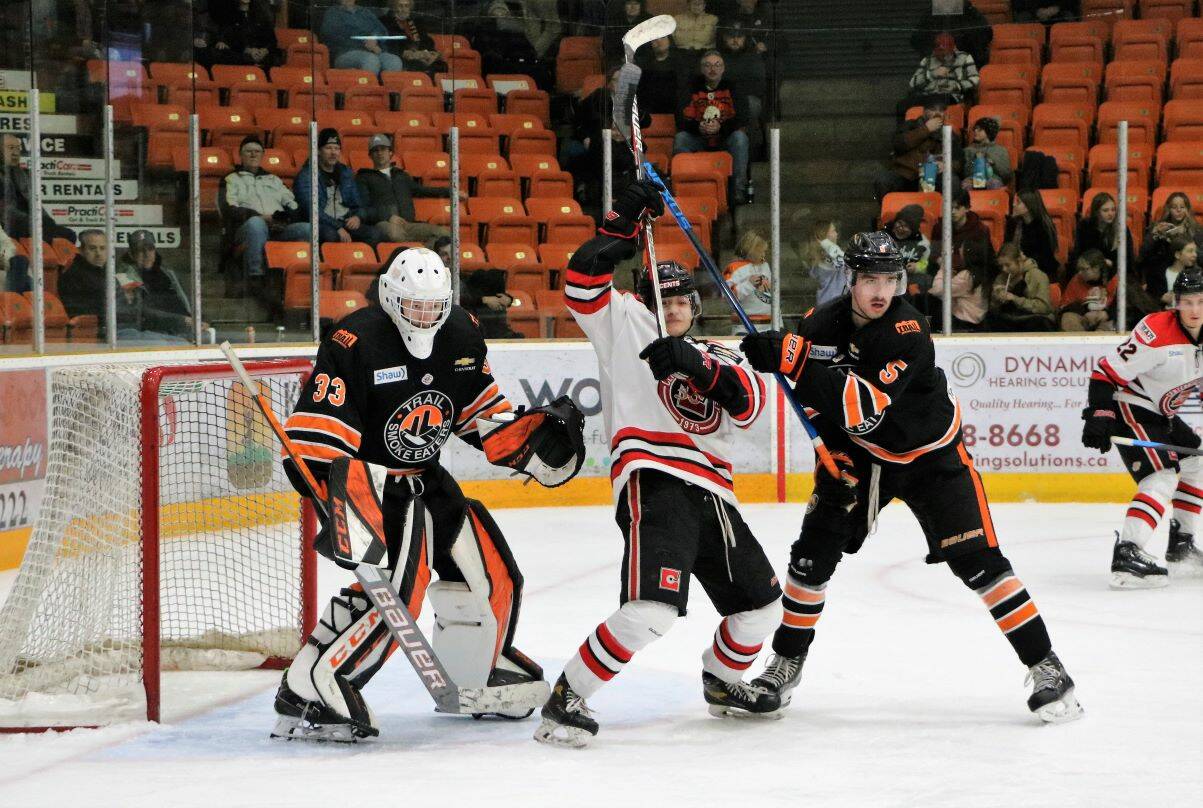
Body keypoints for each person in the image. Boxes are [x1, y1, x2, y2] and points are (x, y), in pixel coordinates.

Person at [738, 232, 1081, 724]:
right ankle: (785, 663)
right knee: (810, 558)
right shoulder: (819, 324)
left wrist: (791, 359)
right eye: (870, 279)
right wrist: (832, 457)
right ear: (851, 280)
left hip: (932, 460)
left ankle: (1048, 668)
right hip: (864, 457)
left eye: (890, 279)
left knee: (980, 564)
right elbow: (818, 406)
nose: (881, 290)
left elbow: (864, 405)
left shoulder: (908, 329)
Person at [273, 246, 587, 742]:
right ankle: (323, 677)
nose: (426, 316)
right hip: (373, 483)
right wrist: (338, 504)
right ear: (391, 299)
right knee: (400, 591)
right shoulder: (355, 340)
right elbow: (315, 440)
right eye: (416, 306)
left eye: (434, 306)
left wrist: (523, 441)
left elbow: (478, 411)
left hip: (427, 476)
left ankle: (481, 669)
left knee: (493, 571)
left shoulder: (461, 330)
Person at [536, 181, 783, 747]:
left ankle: (722, 680)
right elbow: (581, 280)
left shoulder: (718, 351)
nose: (671, 310)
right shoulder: (623, 323)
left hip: (714, 494)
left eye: (680, 302)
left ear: (694, 307)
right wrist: (621, 227)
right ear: (646, 300)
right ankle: (568, 696)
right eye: (662, 300)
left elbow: (751, 408)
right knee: (652, 611)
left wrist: (693, 364)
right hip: (655, 479)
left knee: (764, 609)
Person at [1081, 266, 1203, 589]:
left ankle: (1181, 545)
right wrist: (1101, 413)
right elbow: (1105, 373)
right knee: (1162, 475)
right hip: (1130, 404)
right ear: (1175, 303)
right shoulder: (1156, 331)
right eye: (1187, 302)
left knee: (1196, 461)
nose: (1194, 310)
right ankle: (1128, 553)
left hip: (1162, 414)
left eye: (1201, 302)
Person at [57, 230, 193, 344]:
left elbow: (135, 310)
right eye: (92, 248)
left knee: (181, 344)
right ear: (81, 250)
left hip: (128, 329)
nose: (98, 253)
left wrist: (180, 320)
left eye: (102, 248)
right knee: (169, 347)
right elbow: (99, 311)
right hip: (109, 334)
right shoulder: (76, 274)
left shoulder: (106, 274)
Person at [219, 135, 300, 298]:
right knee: (256, 224)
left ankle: (300, 276)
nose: (253, 155)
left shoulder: (274, 179)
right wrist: (259, 216)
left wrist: (282, 217)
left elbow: (292, 203)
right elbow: (229, 208)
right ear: (240, 155)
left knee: (306, 229)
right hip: (246, 229)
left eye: (257, 151)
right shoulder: (230, 179)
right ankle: (256, 277)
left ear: (263, 155)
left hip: (278, 228)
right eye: (248, 151)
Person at [673, 50, 751, 203]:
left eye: (717, 65)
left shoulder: (733, 87)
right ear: (702, 69)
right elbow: (680, 118)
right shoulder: (690, 87)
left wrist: (721, 128)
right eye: (708, 65)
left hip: (724, 139)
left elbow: (742, 118)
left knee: (740, 139)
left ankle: (738, 191)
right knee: (681, 138)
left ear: (723, 68)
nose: (713, 69)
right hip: (699, 139)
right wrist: (698, 127)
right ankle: (684, 188)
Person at [285, 128, 382, 247]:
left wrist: (358, 217)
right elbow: (311, 210)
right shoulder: (307, 175)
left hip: (345, 220)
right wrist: (337, 227)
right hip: (323, 223)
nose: (333, 152)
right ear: (318, 151)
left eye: (336, 148)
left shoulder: (346, 172)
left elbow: (358, 202)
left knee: (374, 234)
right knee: (330, 235)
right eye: (328, 148)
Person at [356, 133, 454, 246]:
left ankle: (423, 259)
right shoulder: (363, 177)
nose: (379, 153)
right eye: (375, 150)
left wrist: (451, 192)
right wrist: (388, 217)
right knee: (394, 234)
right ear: (370, 155)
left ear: (390, 152)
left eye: (383, 149)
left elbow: (422, 190)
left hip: (408, 224)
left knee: (444, 233)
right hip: (383, 223)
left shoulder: (401, 175)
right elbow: (364, 207)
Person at [873, 99, 963, 203]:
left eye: (941, 110)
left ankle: (947, 216)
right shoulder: (909, 125)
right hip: (906, 174)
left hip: (934, 175)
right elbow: (899, 144)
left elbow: (959, 161)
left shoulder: (950, 134)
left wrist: (947, 165)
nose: (937, 113)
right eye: (933, 109)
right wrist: (926, 129)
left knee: (952, 181)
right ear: (924, 112)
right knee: (884, 180)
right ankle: (886, 213)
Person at [433, 236, 520, 339]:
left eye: (452, 253)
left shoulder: (460, 276)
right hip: (457, 326)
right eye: (444, 254)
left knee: (489, 276)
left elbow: (473, 292)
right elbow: (454, 300)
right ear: (437, 257)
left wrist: (507, 298)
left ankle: (503, 332)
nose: (449, 257)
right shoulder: (436, 279)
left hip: (476, 320)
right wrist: (484, 300)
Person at [0, 133, 75, 244]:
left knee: (68, 235)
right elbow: (5, 211)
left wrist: (46, 220)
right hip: (9, 223)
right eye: (11, 148)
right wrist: (34, 222)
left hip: (30, 223)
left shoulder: (25, 174)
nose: (16, 153)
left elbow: (35, 203)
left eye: (18, 148)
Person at [468, 1, 550, 91]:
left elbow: (528, 51)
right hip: (494, 67)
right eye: (497, 12)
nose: (500, 16)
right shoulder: (483, 30)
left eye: (503, 13)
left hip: (516, 65)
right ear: (490, 14)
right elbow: (483, 52)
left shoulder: (516, 32)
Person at [898, 32, 979, 119]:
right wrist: (932, 74)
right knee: (902, 105)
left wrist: (957, 85)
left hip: (950, 95)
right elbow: (913, 83)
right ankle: (903, 131)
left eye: (946, 52)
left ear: (953, 48)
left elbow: (975, 79)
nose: (944, 56)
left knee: (937, 100)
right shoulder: (927, 60)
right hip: (927, 95)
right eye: (940, 52)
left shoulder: (964, 57)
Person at [1140, 192, 1203, 296]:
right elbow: (1144, 256)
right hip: (1162, 276)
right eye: (1174, 207)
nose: (1178, 210)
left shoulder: (1197, 231)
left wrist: (1186, 241)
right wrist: (1154, 236)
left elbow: (1201, 258)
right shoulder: (1158, 228)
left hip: (1191, 274)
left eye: (1182, 207)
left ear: (1187, 209)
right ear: (1168, 209)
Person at [320, 0, 404, 76]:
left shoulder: (365, 12)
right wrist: (365, 43)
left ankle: (390, 92)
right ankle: (368, 92)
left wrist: (374, 38)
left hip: (373, 50)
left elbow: (382, 31)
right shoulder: (333, 13)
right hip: (345, 53)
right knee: (371, 60)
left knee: (394, 61)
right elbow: (330, 34)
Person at [986, 242, 1054, 332]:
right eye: (1001, 266)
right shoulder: (1001, 277)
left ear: (1019, 261)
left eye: (1007, 265)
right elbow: (993, 308)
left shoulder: (1037, 276)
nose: (1004, 269)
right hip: (1011, 319)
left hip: (1032, 319)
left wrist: (1014, 298)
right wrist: (996, 298)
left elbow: (1044, 307)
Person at [1069, 192, 1134, 279]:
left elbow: (1128, 260)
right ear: (1096, 212)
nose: (1111, 214)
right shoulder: (1084, 226)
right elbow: (1078, 253)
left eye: (1113, 209)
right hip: (1088, 273)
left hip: (1114, 274)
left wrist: (1110, 264)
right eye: (1105, 210)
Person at [909, 2, 993, 68]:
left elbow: (985, 35)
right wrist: (935, 51)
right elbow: (916, 39)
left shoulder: (970, 12)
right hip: (935, 65)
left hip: (967, 64)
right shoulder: (929, 15)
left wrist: (960, 50)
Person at [928, 243, 989, 331]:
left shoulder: (967, 276)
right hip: (974, 323)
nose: (959, 249)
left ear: (968, 253)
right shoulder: (980, 273)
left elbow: (937, 290)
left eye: (962, 247)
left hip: (964, 324)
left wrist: (943, 267)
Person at [204, 0, 280, 69]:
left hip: (263, 55)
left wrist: (264, 50)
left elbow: (272, 41)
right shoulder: (229, 17)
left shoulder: (261, 16)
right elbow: (229, 40)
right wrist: (247, 50)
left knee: (275, 57)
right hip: (241, 55)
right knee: (219, 53)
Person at [380, 0, 447, 76]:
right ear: (393, 7)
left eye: (406, 6)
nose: (404, 9)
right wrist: (407, 53)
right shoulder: (385, 21)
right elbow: (389, 44)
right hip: (401, 56)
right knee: (418, 66)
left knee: (441, 66)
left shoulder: (416, 21)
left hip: (421, 54)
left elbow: (426, 40)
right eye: (400, 6)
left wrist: (429, 52)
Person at [1004, 189, 1060, 280]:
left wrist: (1021, 265)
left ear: (1029, 206)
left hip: (1039, 271)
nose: (1013, 204)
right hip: (1015, 269)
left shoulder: (1043, 226)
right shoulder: (1013, 223)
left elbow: (1045, 259)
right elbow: (1006, 247)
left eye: (1018, 202)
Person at [724, 228, 771, 332]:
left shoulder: (765, 266)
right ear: (750, 249)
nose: (763, 255)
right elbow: (727, 296)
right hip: (744, 327)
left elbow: (771, 297)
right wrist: (748, 284)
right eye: (760, 251)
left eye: (765, 251)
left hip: (769, 326)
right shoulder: (734, 268)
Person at [1059, 249, 1116, 332]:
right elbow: (1065, 305)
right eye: (1079, 269)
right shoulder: (1076, 280)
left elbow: (1125, 307)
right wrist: (1085, 312)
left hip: (1108, 319)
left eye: (1083, 269)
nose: (1079, 273)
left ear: (1096, 268)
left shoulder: (1115, 280)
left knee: (1108, 327)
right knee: (1068, 318)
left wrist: (1107, 314)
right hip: (1083, 318)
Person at [933, 188, 994, 262]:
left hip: (969, 270)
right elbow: (934, 253)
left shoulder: (979, 230)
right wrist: (937, 259)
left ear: (967, 208)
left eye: (957, 208)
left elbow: (983, 261)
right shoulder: (939, 227)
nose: (952, 212)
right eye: (950, 208)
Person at [798, 219, 845, 307]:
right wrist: (826, 243)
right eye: (833, 231)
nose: (836, 234)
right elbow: (844, 262)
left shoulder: (825, 257)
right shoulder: (824, 260)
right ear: (824, 235)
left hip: (831, 305)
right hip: (832, 306)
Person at [636, 35, 686, 116]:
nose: (659, 41)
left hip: (675, 112)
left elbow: (682, 92)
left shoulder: (681, 64)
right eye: (655, 39)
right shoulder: (643, 66)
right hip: (650, 113)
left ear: (670, 40)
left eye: (663, 37)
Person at [887, 205, 931, 293]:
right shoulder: (885, 236)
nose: (900, 228)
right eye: (899, 223)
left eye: (906, 226)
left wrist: (917, 267)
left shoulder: (922, 243)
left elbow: (926, 263)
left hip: (910, 280)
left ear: (913, 229)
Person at [1148, 235, 1200, 307]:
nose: (1195, 255)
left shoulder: (1196, 275)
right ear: (1178, 255)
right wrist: (1160, 298)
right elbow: (1150, 298)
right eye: (1190, 251)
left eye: (1195, 251)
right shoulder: (1158, 275)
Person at [962, 117, 1013, 191]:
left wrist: (992, 162)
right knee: (966, 186)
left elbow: (1006, 174)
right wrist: (974, 161)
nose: (975, 131)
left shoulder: (1000, 150)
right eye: (975, 129)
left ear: (989, 132)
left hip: (993, 179)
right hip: (972, 179)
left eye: (980, 129)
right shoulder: (968, 150)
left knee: (994, 184)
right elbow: (965, 173)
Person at [0, 222, 31, 294]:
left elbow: (9, 245)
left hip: (3, 266)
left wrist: (3, 258)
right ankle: (14, 299)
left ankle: (13, 299)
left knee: (21, 260)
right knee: (28, 281)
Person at [1013, 0, 1080, 24]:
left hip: (1059, 11)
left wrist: (1056, 8)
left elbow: (1073, 2)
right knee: (1022, 18)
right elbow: (1018, 4)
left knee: (1069, 17)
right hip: (1032, 12)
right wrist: (1036, 11)